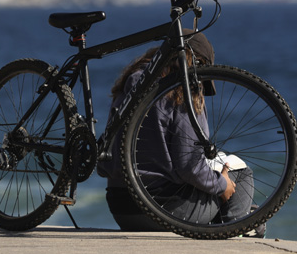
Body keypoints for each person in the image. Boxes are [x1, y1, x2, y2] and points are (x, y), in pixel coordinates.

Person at [97, 30, 261, 236]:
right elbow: (189, 166)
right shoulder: (184, 90)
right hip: (165, 212)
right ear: (197, 64)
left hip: (122, 210)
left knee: (220, 185)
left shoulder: (130, 84)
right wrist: (222, 185)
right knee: (241, 174)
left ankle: (245, 222)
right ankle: (237, 231)